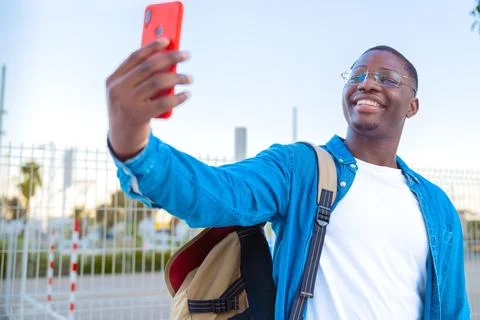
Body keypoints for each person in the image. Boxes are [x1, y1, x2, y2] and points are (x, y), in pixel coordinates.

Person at [105, 38, 470, 319]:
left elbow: (452, 309)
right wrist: (133, 142)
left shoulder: (436, 206)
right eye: (357, 75)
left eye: (386, 78)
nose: (367, 83)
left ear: (412, 106)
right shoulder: (301, 168)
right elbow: (217, 193)